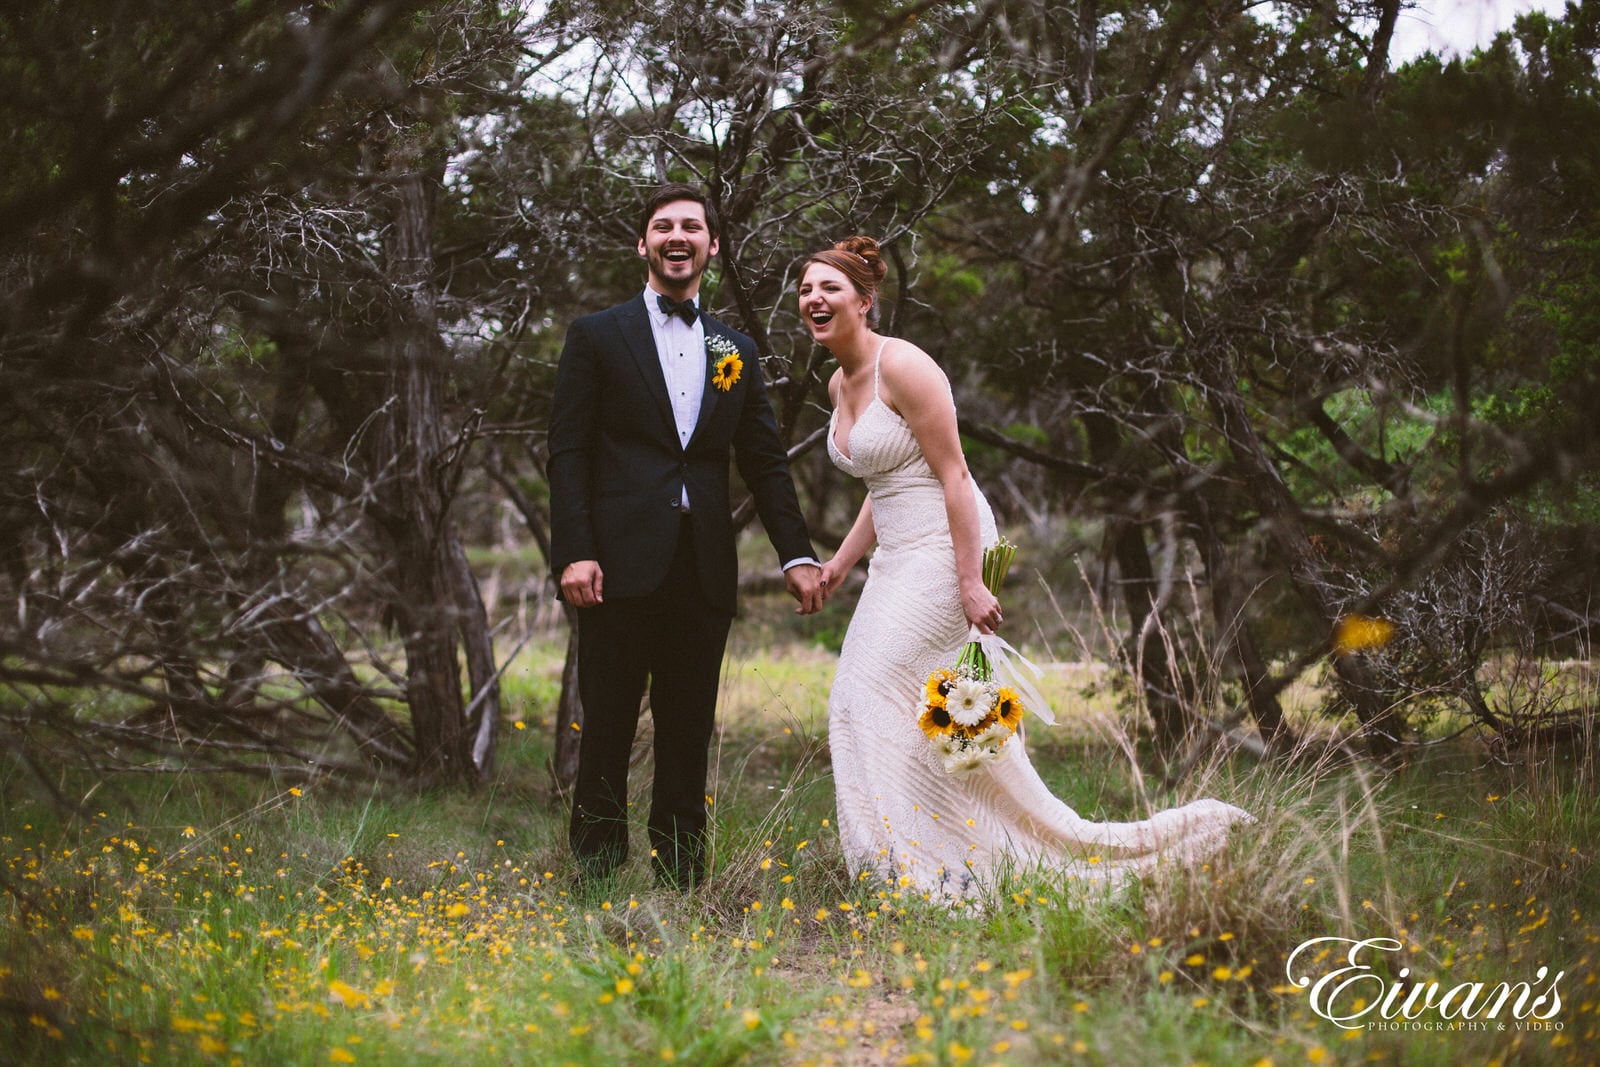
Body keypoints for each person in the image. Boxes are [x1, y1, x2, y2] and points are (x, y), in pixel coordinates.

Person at [806, 236, 1250, 901]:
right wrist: (842, 560)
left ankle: (906, 865)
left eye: (830, 288)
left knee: (861, 694)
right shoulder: (839, 382)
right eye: (807, 290)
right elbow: (885, 478)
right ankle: (969, 854)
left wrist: (971, 580)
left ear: (865, 302)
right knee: (946, 715)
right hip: (895, 555)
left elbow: (954, 474)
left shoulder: (906, 367)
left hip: (946, 548)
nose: (814, 299)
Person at [548, 184, 824, 891]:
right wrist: (574, 550)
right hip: (613, 566)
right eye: (663, 226)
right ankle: (597, 878)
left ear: (712, 245)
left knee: (687, 733)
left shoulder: (734, 348)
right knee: (606, 727)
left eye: (692, 227)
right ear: (643, 245)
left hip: (701, 569)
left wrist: (794, 553)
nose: (678, 236)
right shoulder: (596, 335)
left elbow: (763, 460)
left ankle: (682, 882)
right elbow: (568, 451)